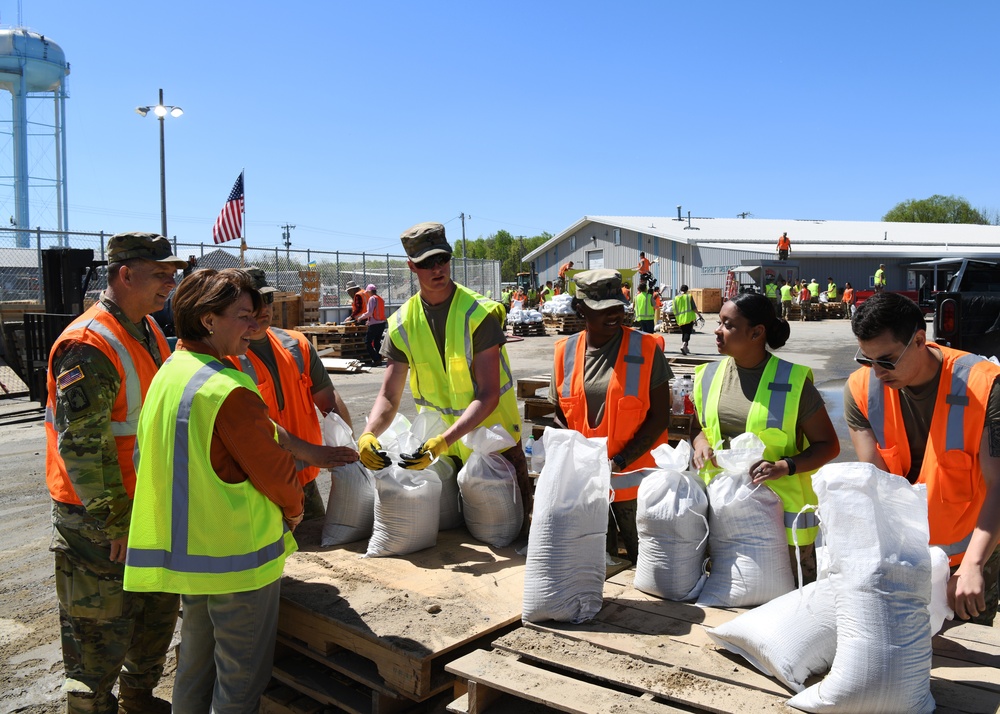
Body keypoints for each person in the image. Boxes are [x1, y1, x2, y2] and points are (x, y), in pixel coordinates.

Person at [123, 268, 358, 712]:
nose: (255, 327)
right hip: (238, 563)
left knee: (194, 664)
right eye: (244, 317)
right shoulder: (227, 388)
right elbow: (276, 475)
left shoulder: (172, 371)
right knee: (240, 680)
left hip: (193, 556)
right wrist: (292, 514)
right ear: (209, 319)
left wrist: (316, 454)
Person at [45, 232, 187, 714]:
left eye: (173, 274)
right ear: (125, 275)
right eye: (161, 274)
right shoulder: (89, 343)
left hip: (143, 508)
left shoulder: (146, 331)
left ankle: (138, 699)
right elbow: (81, 445)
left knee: (153, 617)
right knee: (97, 638)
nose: (171, 283)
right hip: (99, 519)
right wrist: (115, 520)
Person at [845, 292, 1000, 624]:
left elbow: (999, 485)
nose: (877, 373)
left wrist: (973, 565)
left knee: (969, 656)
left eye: (886, 360)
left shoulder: (984, 385)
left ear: (919, 340)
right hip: (905, 558)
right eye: (866, 360)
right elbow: (879, 487)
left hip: (972, 555)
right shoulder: (861, 392)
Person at [358, 222, 531, 518]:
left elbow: (488, 394)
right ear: (412, 267)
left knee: (511, 536)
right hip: (446, 456)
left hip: (495, 445)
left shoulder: (479, 314)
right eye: (427, 263)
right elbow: (389, 394)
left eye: (443, 259)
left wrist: (440, 443)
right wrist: (368, 434)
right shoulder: (402, 324)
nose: (438, 268)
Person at [692, 293, 840, 582]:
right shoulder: (708, 376)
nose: (717, 330)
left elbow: (829, 446)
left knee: (790, 604)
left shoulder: (793, 382)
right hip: (726, 514)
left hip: (781, 521)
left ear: (757, 332)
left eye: (728, 324)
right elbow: (700, 428)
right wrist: (701, 445)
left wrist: (785, 466)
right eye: (718, 322)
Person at [548, 269, 673, 564]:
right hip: (589, 485)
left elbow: (659, 418)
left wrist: (620, 461)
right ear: (580, 309)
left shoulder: (645, 349)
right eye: (603, 309)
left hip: (636, 483)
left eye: (618, 306)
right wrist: (576, 461)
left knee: (647, 564)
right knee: (598, 564)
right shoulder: (564, 352)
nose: (615, 314)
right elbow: (560, 415)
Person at [230, 267, 354, 521]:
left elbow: (328, 400)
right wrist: (311, 452)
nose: (264, 307)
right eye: (254, 301)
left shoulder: (296, 344)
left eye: (267, 298)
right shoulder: (226, 356)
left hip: (304, 483)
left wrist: (347, 444)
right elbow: (254, 424)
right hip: (258, 488)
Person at [673, 284, 703, 355]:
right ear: (687, 290)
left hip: (680, 319)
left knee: (684, 332)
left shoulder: (676, 298)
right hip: (688, 318)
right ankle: (684, 344)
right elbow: (694, 307)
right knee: (688, 332)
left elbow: (674, 309)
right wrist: (699, 314)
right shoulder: (688, 297)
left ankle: (685, 347)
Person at [363, 283, 388, 367]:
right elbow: (377, 312)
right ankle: (379, 358)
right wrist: (369, 321)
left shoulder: (372, 299)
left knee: (367, 342)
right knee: (377, 342)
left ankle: (376, 359)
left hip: (374, 324)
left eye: (367, 292)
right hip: (381, 323)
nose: (367, 293)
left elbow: (369, 312)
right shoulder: (380, 299)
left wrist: (360, 318)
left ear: (370, 291)